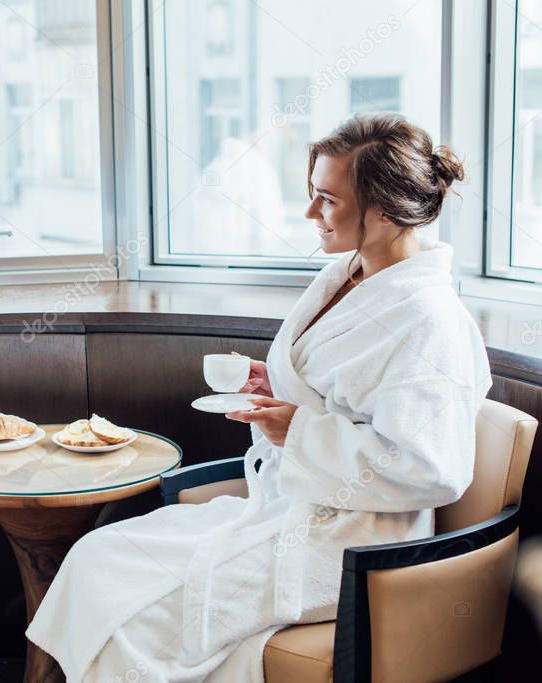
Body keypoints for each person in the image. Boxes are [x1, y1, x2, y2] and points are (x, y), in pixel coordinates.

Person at [26, 113, 493, 681]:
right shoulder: (352, 273)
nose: (310, 214)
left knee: (143, 613)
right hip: (285, 503)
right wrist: (281, 389)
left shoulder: (428, 321)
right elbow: (342, 393)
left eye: (327, 200)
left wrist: (295, 429)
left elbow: (432, 468)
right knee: (97, 558)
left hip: (352, 541)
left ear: (387, 210)